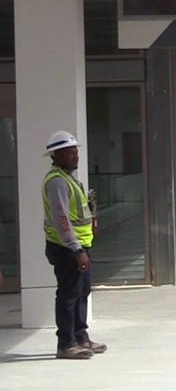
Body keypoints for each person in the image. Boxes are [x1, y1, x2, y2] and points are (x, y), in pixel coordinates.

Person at [42, 130, 106, 360]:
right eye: (70, 152)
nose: (75, 155)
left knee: (82, 291)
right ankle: (66, 343)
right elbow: (62, 220)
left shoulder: (69, 178)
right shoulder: (57, 181)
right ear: (56, 155)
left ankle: (81, 337)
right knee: (69, 294)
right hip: (66, 248)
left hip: (79, 245)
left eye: (76, 151)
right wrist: (76, 249)